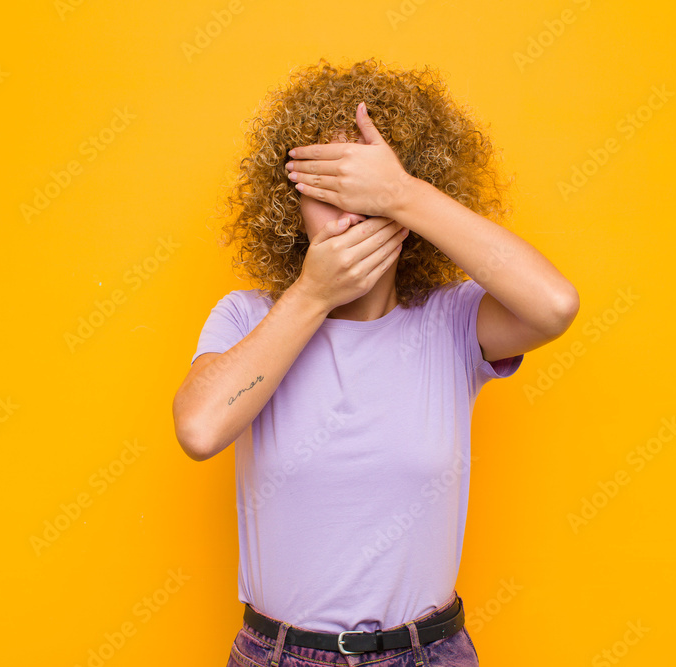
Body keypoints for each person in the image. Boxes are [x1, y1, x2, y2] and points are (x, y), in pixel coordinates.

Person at [173, 57, 579, 666]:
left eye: (366, 190)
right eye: (327, 189)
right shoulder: (247, 316)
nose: (351, 214)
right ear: (290, 205)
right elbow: (200, 429)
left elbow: (554, 304)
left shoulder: (451, 323)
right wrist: (313, 294)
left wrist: (402, 192)